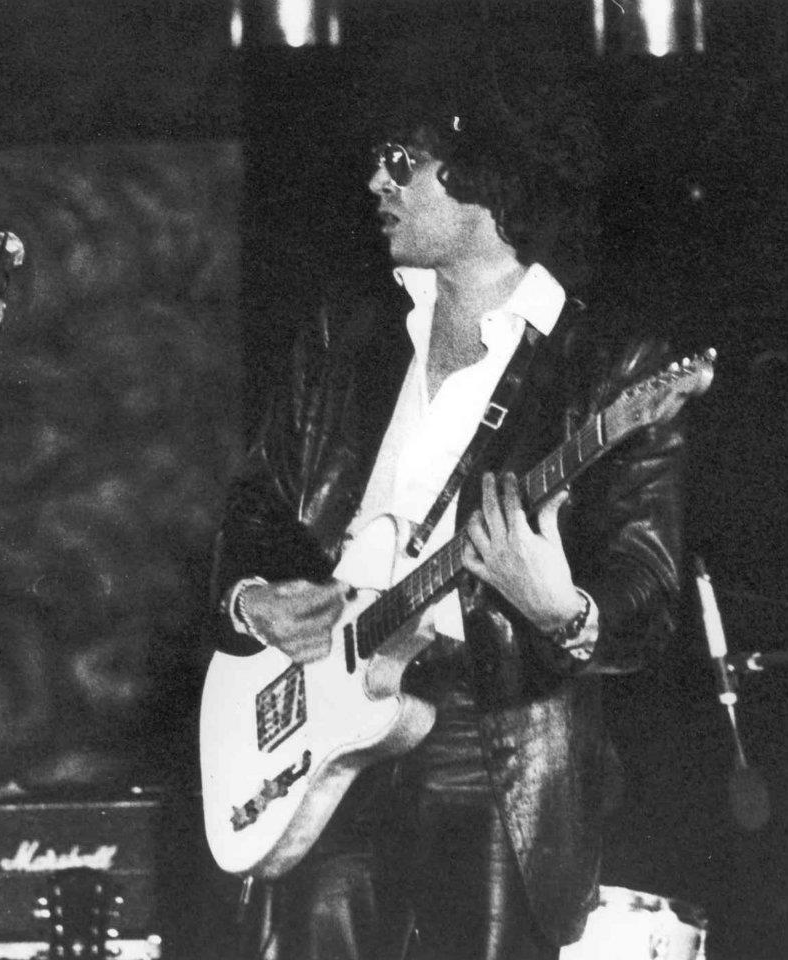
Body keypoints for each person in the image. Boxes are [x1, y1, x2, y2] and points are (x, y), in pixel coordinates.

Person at [207, 46, 685, 960]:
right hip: (327, 715)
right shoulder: (347, 333)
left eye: (401, 160)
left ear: (486, 174)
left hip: (492, 731)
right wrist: (253, 597)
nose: (374, 181)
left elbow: (648, 586)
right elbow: (258, 502)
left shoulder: (609, 363)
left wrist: (563, 610)